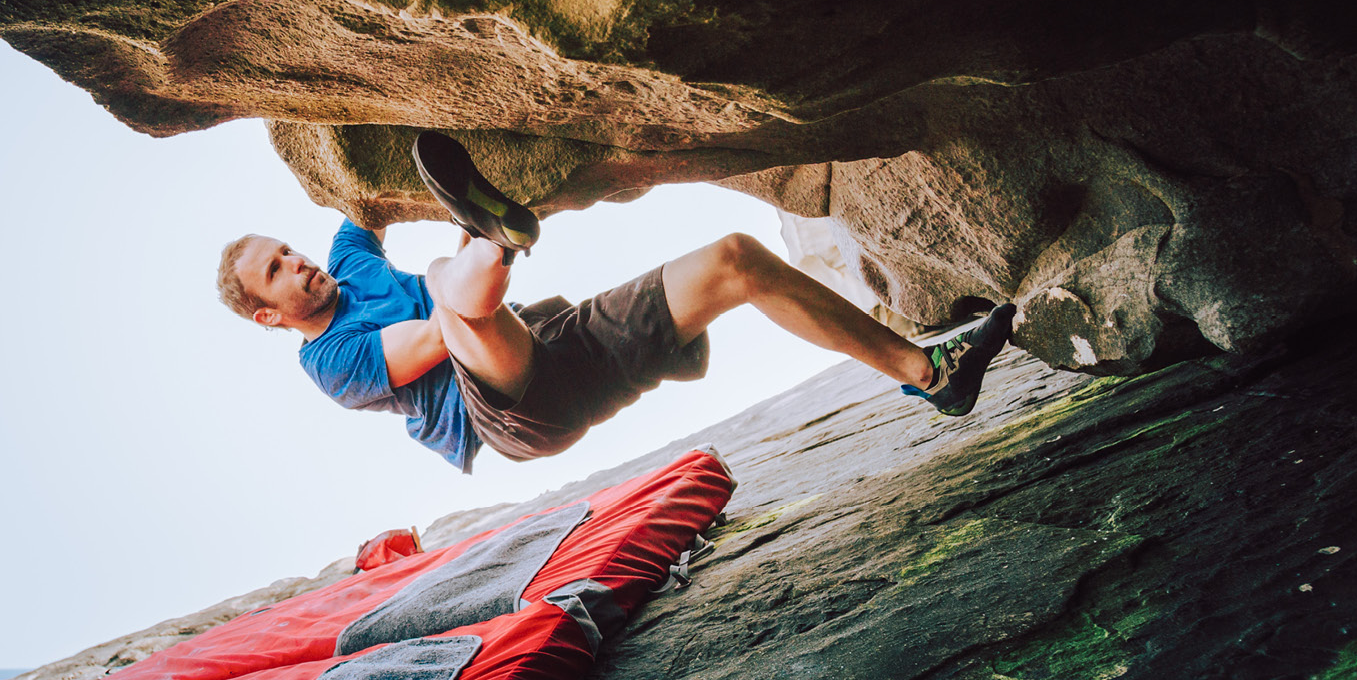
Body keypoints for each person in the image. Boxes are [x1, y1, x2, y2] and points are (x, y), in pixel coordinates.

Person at [216, 132, 1014, 473]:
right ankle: (492, 238)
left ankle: (929, 373)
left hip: (555, 339)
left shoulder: (347, 260)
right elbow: (430, 338)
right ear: (266, 314)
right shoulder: (329, 361)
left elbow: (364, 193)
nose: (296, 263)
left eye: (287, 249)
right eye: (276, 271)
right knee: (456, 308)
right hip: (508, 412)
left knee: (735, 259)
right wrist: (464, 255)